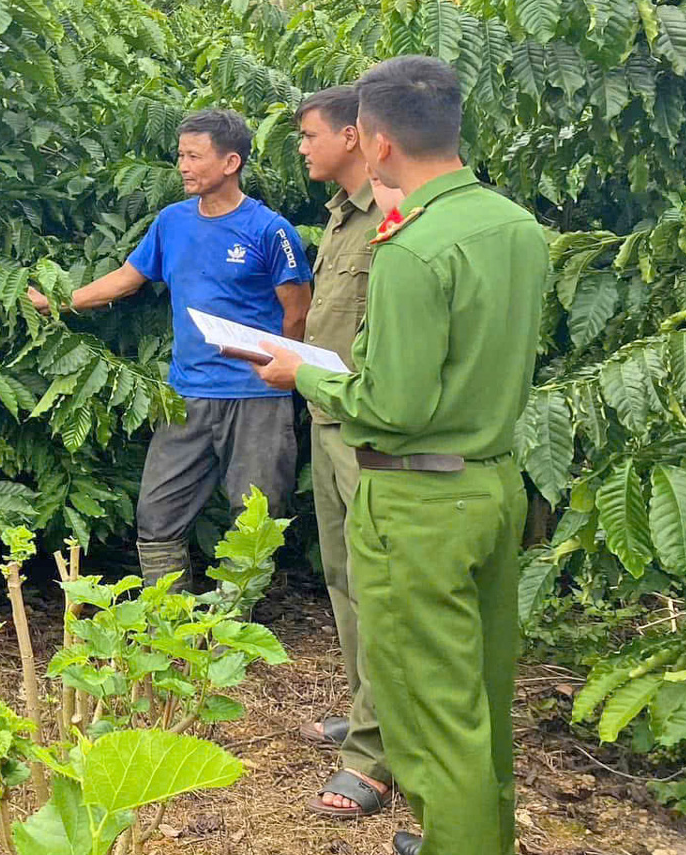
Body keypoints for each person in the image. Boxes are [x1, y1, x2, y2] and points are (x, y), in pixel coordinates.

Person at [253, 56, 547, 855]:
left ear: (375, 143)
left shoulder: (411, 248)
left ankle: (456, 840)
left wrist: (303, 371)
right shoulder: (515, 227)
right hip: (491, 486)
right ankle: (475, 833)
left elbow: (395, 405)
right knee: (480, 698)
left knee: (428, 716)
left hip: (419, 504)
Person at [32, 109, 312, 587]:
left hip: (256, 399)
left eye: (194, 156)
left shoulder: (270, 230)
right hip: (186, 394)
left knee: (256, 518)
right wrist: (60, 303)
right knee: (158, 512)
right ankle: (171, 617)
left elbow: (299, 312)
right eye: (180, 154)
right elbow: (128, 277)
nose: (182, 165)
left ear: (230, 162)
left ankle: (232, 628)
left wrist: (283, 375)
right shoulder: (171, 222)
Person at [291, 86, 395, 820]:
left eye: (309, 134)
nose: (301, 146)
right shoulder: (339, 217)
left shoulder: (394, 214)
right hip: (328, 420)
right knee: (342, 579)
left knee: (378, 588)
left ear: (355, 137)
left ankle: (380, 758)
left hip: (369, 432)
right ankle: (366, 716)